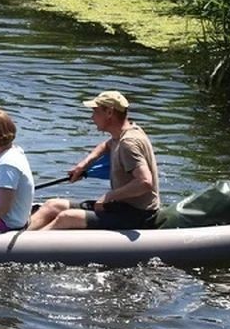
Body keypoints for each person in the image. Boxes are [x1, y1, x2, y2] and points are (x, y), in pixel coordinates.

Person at [28, 90, 160, 231]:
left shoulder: (128, 143)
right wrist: (83, 165)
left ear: (109, 112)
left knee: (67, 217)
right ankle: (18, 238)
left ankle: (29, 244)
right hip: (119, 206)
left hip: (138, 215)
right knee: (52, 205)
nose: (92, 117)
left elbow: (145, 182)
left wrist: (108, 196)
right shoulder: (124, 132)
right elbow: (106, 145)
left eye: (96, 112)